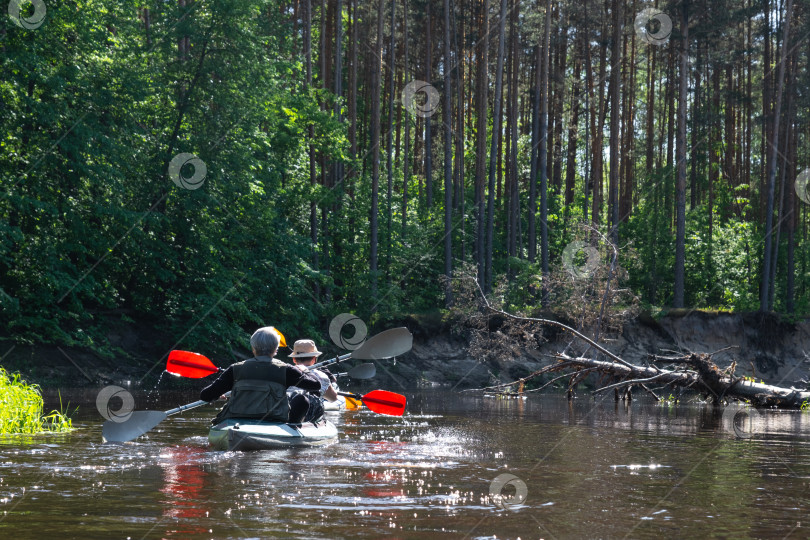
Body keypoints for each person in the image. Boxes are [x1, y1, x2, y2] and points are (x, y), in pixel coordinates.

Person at [200, 327, 321, 425]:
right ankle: (292, 427)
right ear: (276, 349)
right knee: (302, 399)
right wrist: (304, 370)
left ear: (253, 348)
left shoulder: (234, 369)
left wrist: (216, 395)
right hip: (274, 421)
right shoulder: (287, 370)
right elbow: (316, 385)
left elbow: (205, 395)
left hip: (235, 420)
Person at [286, 339, 338, 423]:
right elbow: (333, 398)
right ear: (314, 359)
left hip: (285, 412)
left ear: (294, 360)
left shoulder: (286, 371)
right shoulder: (322, 376)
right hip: (309, 416)